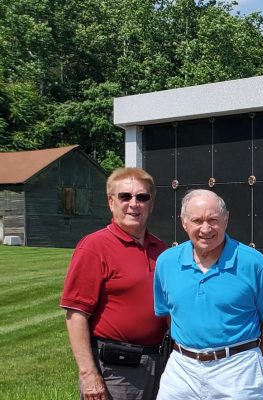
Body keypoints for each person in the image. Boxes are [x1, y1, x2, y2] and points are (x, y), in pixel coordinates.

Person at [153, 189, 263, 399]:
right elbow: (170, 315)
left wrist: (253, 356)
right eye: (197, 220)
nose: (205, 228)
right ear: (183, 222)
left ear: (226, 220)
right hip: (182, 370)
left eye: (213, 220)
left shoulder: (254, 263)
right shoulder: (166, 262)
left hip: (238, 371)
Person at [61, 167, 168, 400]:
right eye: (125, 196)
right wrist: (89, 374)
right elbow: (76, 314)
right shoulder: (94, 247)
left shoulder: (162, 250)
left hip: (161, 363)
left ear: (151, 204)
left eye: (142, 197)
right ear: (111, 202)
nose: (134, 203)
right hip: (116, 370)